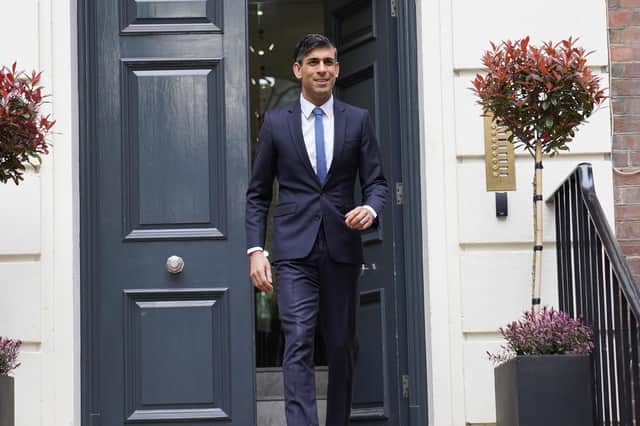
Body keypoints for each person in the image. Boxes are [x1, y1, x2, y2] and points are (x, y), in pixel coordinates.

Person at [245, 33, 388, 426]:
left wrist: (370, 210)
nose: (322, 69)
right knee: (298, 340)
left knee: (342, 346)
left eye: (328, 62)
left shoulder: (358, 120)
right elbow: (258, 194)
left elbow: (377, 183)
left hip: (342, 249)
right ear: (298, 70)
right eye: (313, 62)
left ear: (338, 70)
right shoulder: (276, 124)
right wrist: (255, 250)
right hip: (294, 254)